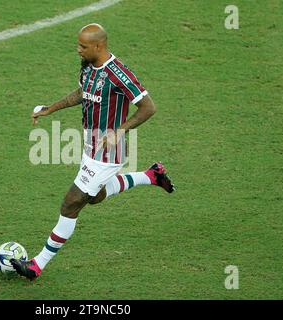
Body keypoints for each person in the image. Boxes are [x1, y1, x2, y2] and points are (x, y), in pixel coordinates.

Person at [10, 23, 174, 280]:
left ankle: (37, 265)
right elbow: (82, 92)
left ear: (98, 46)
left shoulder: (120, 74)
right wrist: (50, 109)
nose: (78, 50)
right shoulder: (88, 66)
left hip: (109, 151)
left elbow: (148, 107)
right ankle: (151, 175)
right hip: (90, 144)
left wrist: (120, 131)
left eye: (83, 46)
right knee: (94, 197)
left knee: (71, 204)